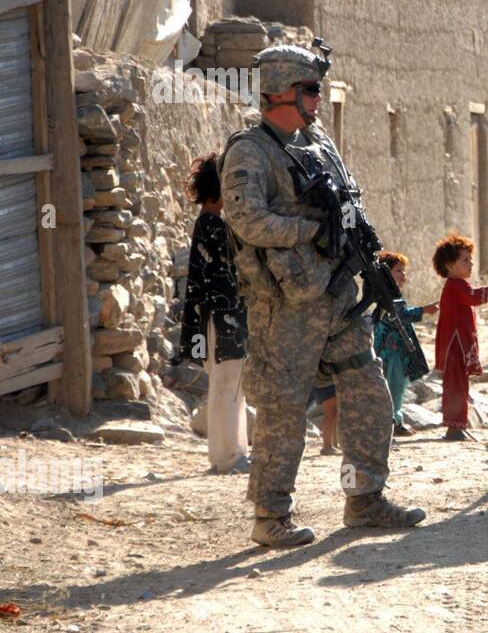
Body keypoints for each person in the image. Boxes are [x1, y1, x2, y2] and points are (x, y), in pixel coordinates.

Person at [220, 42, 425, 547]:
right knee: (284, 407)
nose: (318, 99)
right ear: (282, 92)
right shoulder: (251, 151)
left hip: (337, 295)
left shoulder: (317, 143)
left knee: (369, 392)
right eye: (311, 90)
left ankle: (364, 499)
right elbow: (246, 220)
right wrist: (307, 230)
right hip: (285, 303)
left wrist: (364, 249)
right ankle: (270, 517)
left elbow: (348, 205)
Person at [177, 152, 249, 474]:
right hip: (221, 318)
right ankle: (226, 456)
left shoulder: (209, 224)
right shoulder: (213, 226)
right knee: (226, 385)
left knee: (230, 384)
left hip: (217, 318)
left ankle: (234, 451)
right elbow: (224, 277)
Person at [433, 233, 488, 441]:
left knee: (459, 382)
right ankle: (453, 427)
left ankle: (457, 425)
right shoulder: (456, 286)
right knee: (455, 383)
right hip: (455, 344)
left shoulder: (458, 285)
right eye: (465, 260)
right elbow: (475, 297)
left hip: (459, 343)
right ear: (449, 265)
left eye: (470, 260)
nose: (470, 264)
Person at [373, 251, 438, 437]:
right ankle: (393, 423)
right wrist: (423, 310)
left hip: (394, 351)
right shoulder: (386, 297)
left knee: (397, 387)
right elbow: (398, 317)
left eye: (404, 271)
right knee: (394, 387)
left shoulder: (390, 295)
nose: (403, 275)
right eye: (398, 270)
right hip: (391, 353)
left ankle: (394, 421)